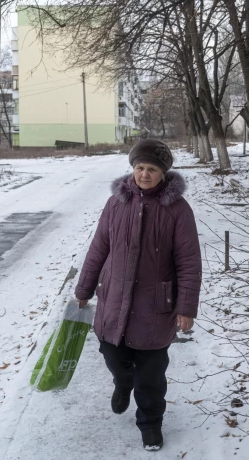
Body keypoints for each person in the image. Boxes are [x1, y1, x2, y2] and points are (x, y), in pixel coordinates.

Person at [75, 139, 202, 451]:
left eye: (152, 169)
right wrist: (84, 289)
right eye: (140, 167)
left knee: (151, 375)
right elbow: (99, 248)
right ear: (132, 169)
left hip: (155, 305)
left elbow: (189, 262)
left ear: (163, 173)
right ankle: (122, 382)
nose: (145, 174)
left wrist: (186, 307)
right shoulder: (116, 203)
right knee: (112, 354)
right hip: (114, 297)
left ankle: (150, 424)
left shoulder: (177, 210)